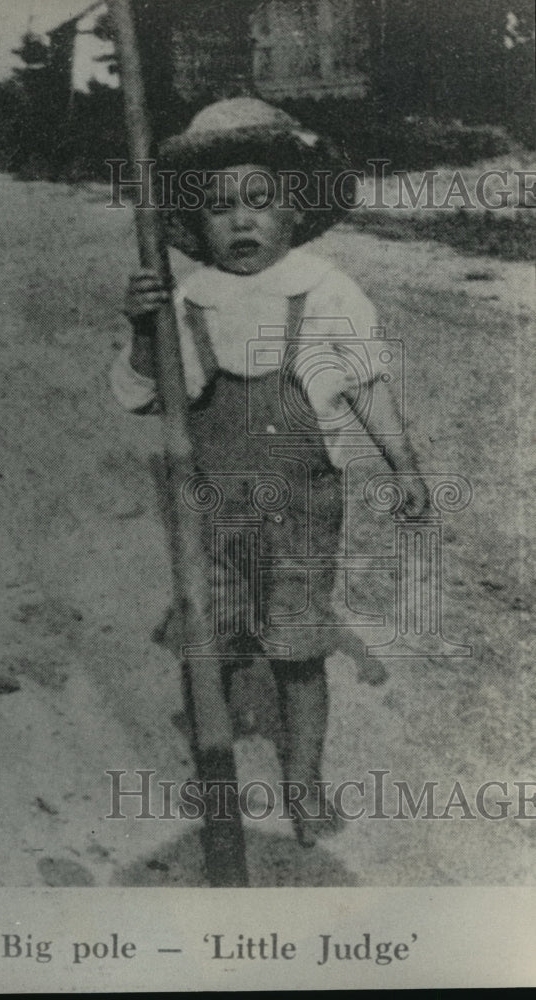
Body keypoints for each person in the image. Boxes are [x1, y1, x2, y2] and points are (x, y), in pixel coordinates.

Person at [111, 98, 428, 846]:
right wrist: (139, 325)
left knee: (295, 649)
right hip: (213, 515)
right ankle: (213, 768)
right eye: (219, 208)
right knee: (212, 643)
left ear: (295, 208)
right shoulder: (185, 299)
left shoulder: (323, 291)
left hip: (298, 512)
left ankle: (303, 780)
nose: (241, 221)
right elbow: (140, 394)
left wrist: (403, 465)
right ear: (196, 221)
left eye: (260, 201)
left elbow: (364, 385)